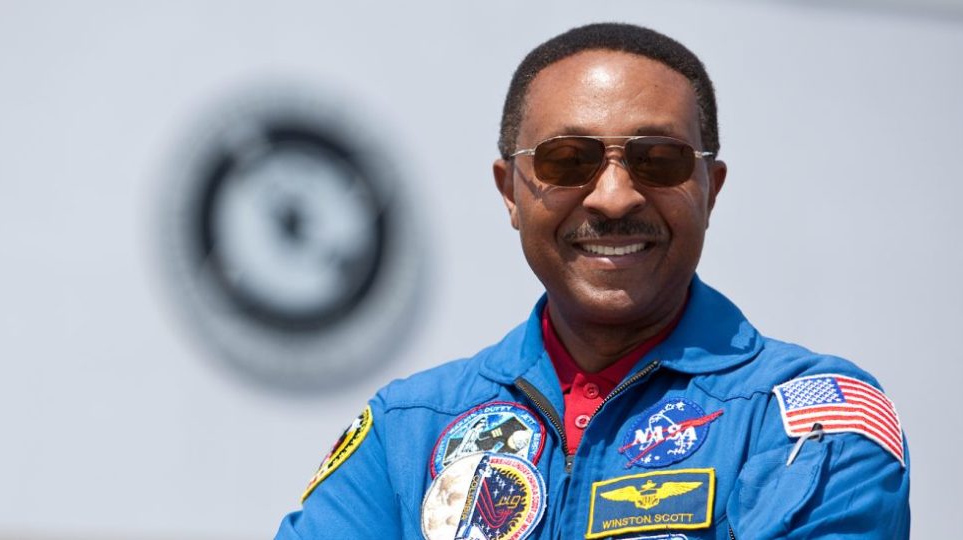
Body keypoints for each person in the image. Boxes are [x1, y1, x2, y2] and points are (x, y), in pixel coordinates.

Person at [276, 22, 910, 540]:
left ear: (710, 191)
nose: (612, 197)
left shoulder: (809, 420)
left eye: (658, 160)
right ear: (510, 192)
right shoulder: (405, 429)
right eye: (567, 160)